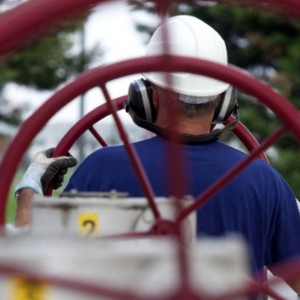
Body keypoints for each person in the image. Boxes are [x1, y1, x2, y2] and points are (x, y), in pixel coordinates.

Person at [14, 15, 300, 294]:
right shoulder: (264, 181)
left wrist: (29, 191)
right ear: (225, 100)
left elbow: (35, 270)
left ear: (146, 96)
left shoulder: (102, 168)